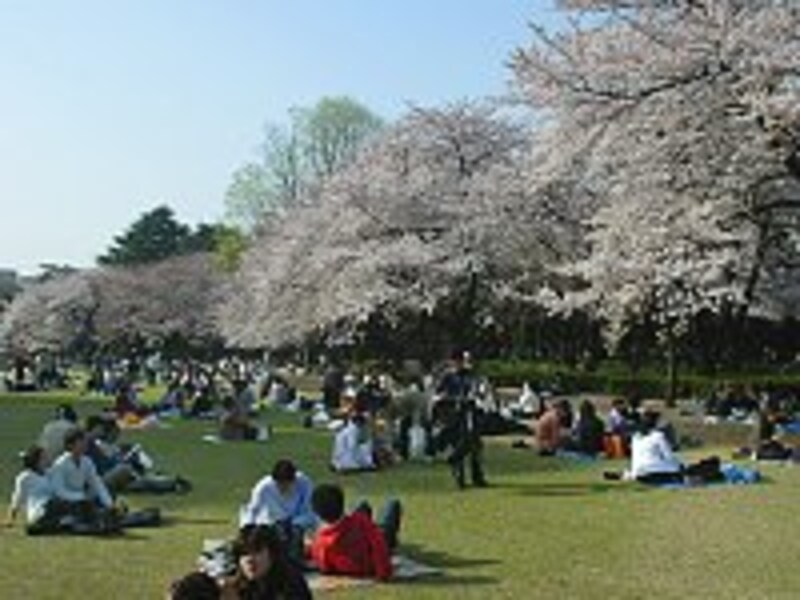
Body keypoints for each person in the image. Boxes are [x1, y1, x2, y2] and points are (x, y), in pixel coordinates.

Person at [308, 483, 400, 580]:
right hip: (369, 560)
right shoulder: (360, 521)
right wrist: (383, 573)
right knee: (392, 504)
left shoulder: (321, 542)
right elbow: (378, 544)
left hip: (354, 564)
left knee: (362, 506)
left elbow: (324, 566)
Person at [239, 460, 317, 561]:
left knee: (295, 532)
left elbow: (310, 511)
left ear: (294, 481)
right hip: (271, 523)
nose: (282, 489)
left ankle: (294, 560)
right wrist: (247, 529)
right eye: (279, 485)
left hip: (297, 523)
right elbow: (252, 510)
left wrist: (293, 523)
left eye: (286, 485)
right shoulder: (264, 486)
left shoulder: (305, 484)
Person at [433, 351, 487, 488]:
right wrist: (452, 398)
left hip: (469, 411)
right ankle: (459, 477)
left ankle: (477, 476)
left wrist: (477, 394)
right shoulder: (447, 376)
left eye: (461, 361)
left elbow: (478, 390)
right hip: (452, 413)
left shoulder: (471, 375)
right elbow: (438, 394)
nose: (459, 363)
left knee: (474, 444)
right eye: (456, 361)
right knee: (458, 442)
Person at [48, 428, 116, 524]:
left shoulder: (87, 461)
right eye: (81, 442)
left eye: (84, 441)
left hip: (82, 498)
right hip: (66, 501)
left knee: (108, 491)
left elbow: (97, 484)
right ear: (70, 445)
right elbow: (59, 491)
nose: (85, 444)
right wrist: (81, 497)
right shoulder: (60, 464)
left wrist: (109, 504)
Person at [227, 524, 313, 600]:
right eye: (244, 553)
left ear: (272, 554)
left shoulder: (291, 584)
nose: (249, 559)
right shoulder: (234, 588)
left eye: (257, 551)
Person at [628, 410, 684, 484]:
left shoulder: (635, 437)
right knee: (677, 467)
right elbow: (668, 456)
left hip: (637, 471)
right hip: (653, 471)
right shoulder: (658, 436)